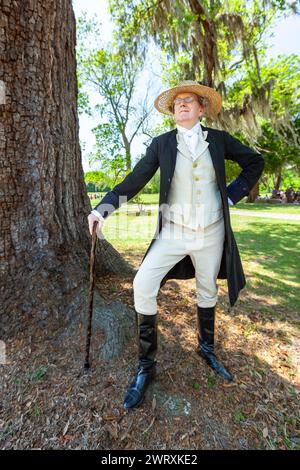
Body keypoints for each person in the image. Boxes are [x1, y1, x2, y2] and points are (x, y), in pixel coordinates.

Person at [87, 80, 265, 410]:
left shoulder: (220, 141)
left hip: (212, 231)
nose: (182, 104)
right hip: (173, 230)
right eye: (177, 102)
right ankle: (146, 366)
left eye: (189, 100)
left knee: (207, 288)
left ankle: (207, 348)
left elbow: (255, 162)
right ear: (173, 113)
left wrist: (231, 194)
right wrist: (103, 208)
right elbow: (135, 180)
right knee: (142, 283)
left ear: (201, 109)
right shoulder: (162, 144)